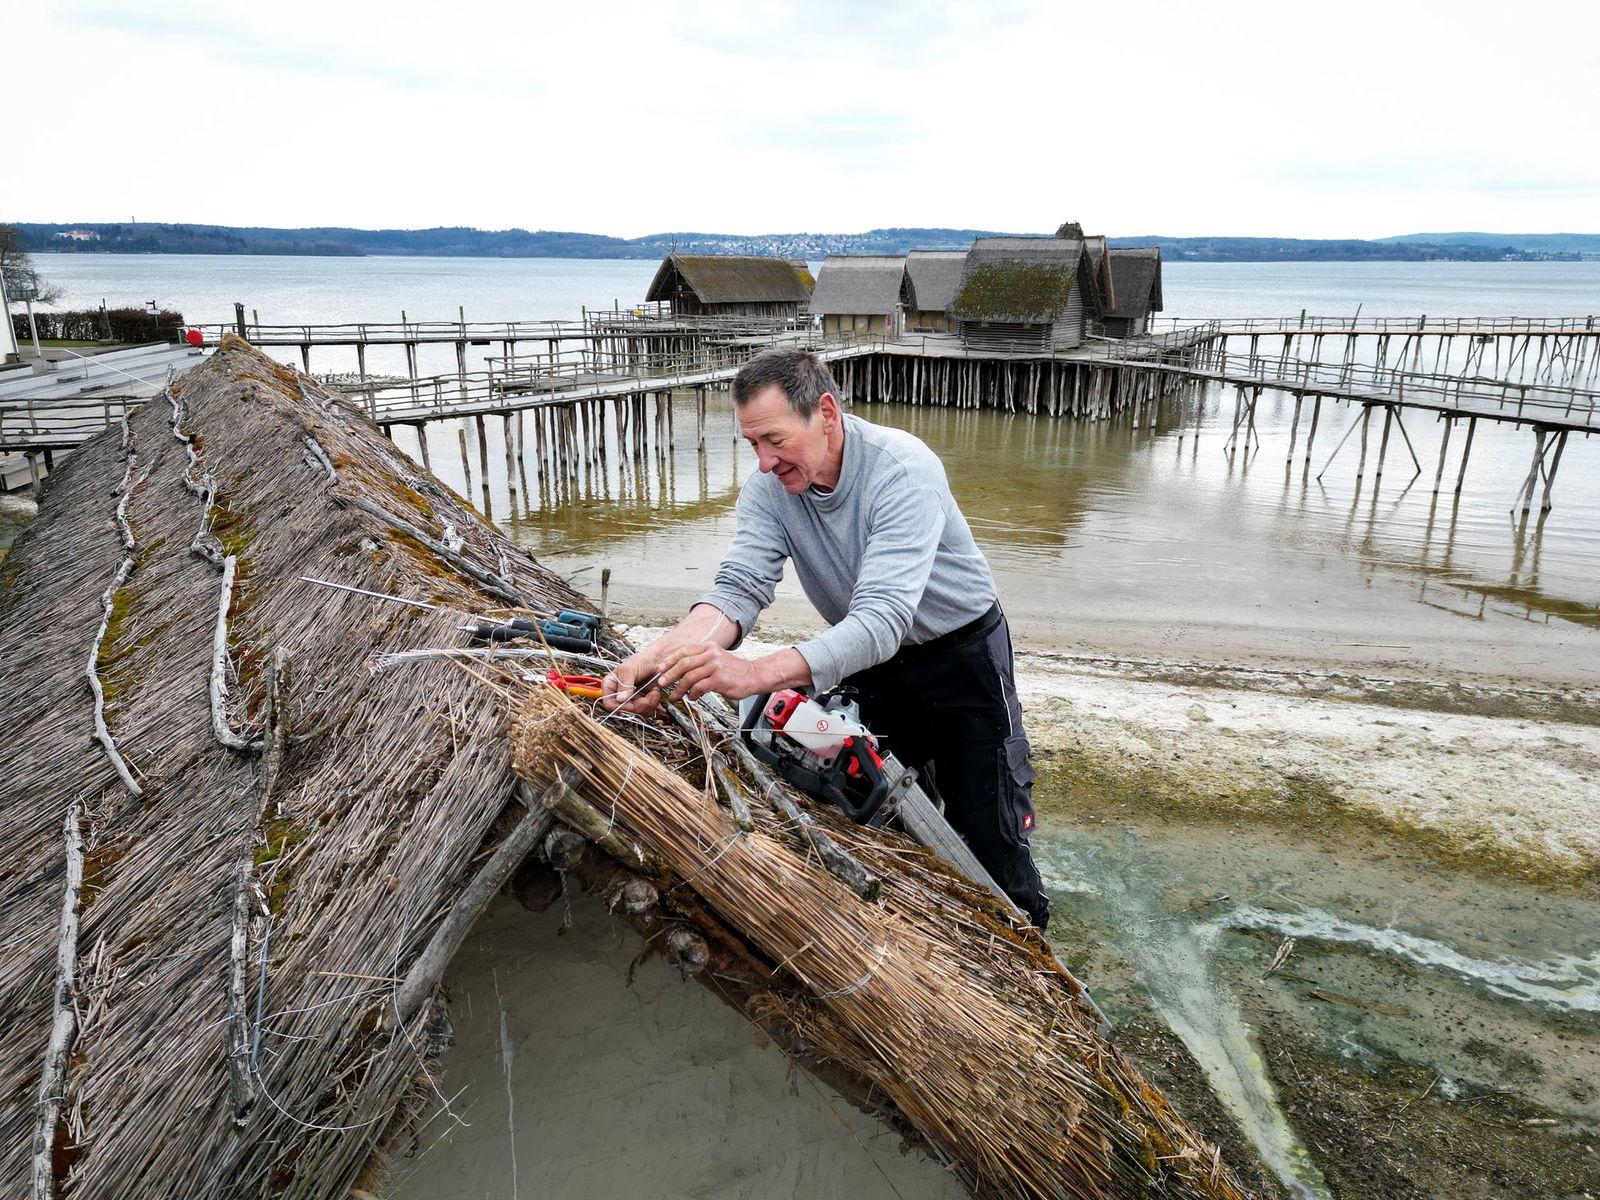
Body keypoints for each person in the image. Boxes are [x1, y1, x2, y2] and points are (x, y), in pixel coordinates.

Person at [601, 347, 1050, 928]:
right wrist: (659, 657)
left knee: (991, 832)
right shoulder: (769, 489)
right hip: (871, 663)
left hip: (962, 656)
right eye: (752, 445)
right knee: (880, 817)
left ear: (828, 414)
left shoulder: (902, 468)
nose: (764, 462)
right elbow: (736, 590)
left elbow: (884, 619)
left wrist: (754, 674)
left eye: (776, 440)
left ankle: (1032, 955)